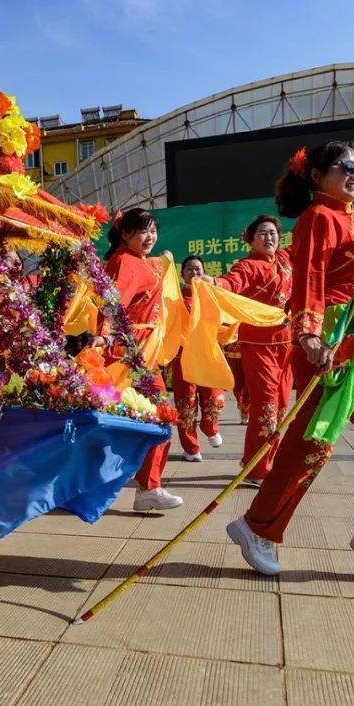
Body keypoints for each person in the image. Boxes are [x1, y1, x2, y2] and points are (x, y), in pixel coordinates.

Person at [227, 140, 354, 575]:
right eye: (344, 167)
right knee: (314, 443)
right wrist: (310, 335)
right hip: (326, 347)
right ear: (318, 177)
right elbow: (310, 276)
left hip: (353, 348)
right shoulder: (318, 218)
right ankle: (258, 527)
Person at [100, 208, 183, 511]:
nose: (150, 237)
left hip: (143, 353)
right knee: (157, 416)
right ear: (125, 234)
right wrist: (107, 336)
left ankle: (148, 486)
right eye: (142, 231)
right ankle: (148, 487)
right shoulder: (126, 262)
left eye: (153, 231)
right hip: (130, 354)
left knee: (144, 419)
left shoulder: (143, 262)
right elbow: (113, 304)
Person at [207, 216, 293, 483]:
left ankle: (260, 460)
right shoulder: (248, 266)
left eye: (273, 233)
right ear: (252, 239)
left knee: (281, 406)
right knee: (265, 405)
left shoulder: (285, 261)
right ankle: (256, 469)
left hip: (286, 342)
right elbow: (232, 282)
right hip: (258, 344)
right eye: (263, 234)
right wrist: (215, 284)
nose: (269, 238)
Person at [171, 255, 225, 462]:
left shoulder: (211, 295)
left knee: (213, 396)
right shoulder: (175, 298)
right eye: (190, 270)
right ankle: (191, 448)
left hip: (207, 354)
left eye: (198, 270)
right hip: (183, 356)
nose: (195, 273)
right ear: (182, 274)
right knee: (186, 402)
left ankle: (210, 427)